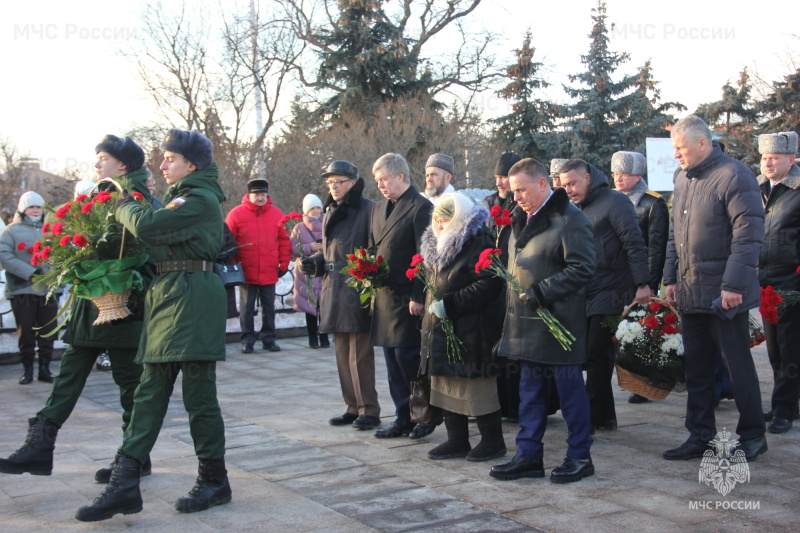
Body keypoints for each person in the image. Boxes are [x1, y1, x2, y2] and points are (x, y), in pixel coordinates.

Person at [75, 128, 230, 521]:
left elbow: (147, 226)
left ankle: (214, 479)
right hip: (171, 293)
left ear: (191, 164)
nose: (162, 164)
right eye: (163, 158)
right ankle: (125, 482)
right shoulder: (184, 196)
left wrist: (124, 202)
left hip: (193, 295)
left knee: (198, 394)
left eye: (170, 158)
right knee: (149, 390)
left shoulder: (200, 199)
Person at [0, 135, 156, 482]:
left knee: (130, 386)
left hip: (124, 307)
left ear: (123, 165)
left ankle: (135, 456)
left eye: (103, 158)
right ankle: (40, 445)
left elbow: (150, 253)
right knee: (69, 375)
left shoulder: (138, 200)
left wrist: (132, 289)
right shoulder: (100, 197)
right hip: (90, 307)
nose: (98, 164)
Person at [662, 115, 767, 461]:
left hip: (724, 294)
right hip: (691, 291)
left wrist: (734, 285)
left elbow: (748, 234)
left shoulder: (734, 175)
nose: (676, 155)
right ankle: (699, 435)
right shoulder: (682, 179)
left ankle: (752, 434)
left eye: (680, 148)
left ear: (702, 144)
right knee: (698, 369)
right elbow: (674, 233)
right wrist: (671, 279)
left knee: (737, 366)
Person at [489, 158, 596, 483]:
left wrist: (543, 292)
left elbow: (583, 268)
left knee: (570, 395)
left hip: (558, 323)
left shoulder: (569, 219)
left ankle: (579, 456)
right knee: (530, 394)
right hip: (527, 326)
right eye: (513, 190)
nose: (516, 196)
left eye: (521, 189)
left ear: (542, 184)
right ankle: (528, 455)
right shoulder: (521, 219)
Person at [559, 159, 650, 434]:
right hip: (586, 291)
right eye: (564, 185)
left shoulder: (615, 202)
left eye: (573, 183)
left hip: (612, 289)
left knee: (597, 355)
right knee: (592, 356)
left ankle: (589, 418)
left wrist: (643, 284)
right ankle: (605, 417)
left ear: (588, 178)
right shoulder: (575, 208)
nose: (569, 190)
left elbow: (634, 243)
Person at [420, 192, 506, 462]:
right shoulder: (434, 243)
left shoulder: (478, 240)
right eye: (438, 219)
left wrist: (452, 304)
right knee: (445, 384)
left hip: (472, 328)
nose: (442, 224)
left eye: (447, 219)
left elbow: (489, 283)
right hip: (442, 328)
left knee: (476, 388)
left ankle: (493, 441)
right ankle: (457, 440)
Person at [302, 160, 381, 430]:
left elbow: (375, 248)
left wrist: (366, 278)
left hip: (356, 286)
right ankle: (352, 406)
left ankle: (368, 409)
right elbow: (329, 248)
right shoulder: (330, 210)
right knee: (341, 351)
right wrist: (316, 260)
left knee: (359, 353)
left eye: (339, 182)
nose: (333, 187)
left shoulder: (369, 209)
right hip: (333, 285)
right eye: (330, 182)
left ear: (353, 183)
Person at [369, 153, 436, 439]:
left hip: (408, 299)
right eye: (377, 181)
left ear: (401, 176)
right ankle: (402, 417)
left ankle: (424, 415)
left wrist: (419, 295)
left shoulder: (420, 207)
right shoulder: (379, 208)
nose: (380, 185)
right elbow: (374, 246)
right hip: (384, 297)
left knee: (408, 361)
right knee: (392, 365)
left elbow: (425, 255)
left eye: (384, 179)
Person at [610, 150, 670, 404]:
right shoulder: (612, 200)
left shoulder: (652, 203)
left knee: (644, 332)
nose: (619, 179)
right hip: (616, 278)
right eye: (615, 174)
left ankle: (646, 383)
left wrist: (650, 284)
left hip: (641, 279)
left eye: (624, 174)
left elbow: (656, 249)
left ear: (638, 175)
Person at [756, 131, 800, 434]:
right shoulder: (758, 189)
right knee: (773, 347)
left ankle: (784, 408)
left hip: (791, 278)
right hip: (764, 278)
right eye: (764, 157)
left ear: (791, 159)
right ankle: (787, 402)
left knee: (789, 346)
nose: (768, 162)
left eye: (774, 157)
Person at [0, 191, 61, 385]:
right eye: (31, 207)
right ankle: (27, 370)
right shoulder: (11, 231)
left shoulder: (52, 229)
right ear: (23, 209)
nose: (35, 211)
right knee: (26, 331)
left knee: (48, 330)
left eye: (38, 207)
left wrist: (51, 272)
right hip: (23, 289)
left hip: (48, 289)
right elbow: (5, 256)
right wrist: (31, 272)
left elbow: (62, 253)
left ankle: (45, 368)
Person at [225, 178, 290, 353]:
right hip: (246, 269)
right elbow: (228, 240)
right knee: (247, 307)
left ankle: (269, 339)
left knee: (269, 307)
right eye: (257, 194)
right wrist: (232, 263)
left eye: (263, 194)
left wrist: (284, 262)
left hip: (269, 268)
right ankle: (247, 340)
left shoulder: (277, 214)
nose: (260, 198)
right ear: (249, 195)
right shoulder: (236, 214)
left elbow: (283, 240)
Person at [483, 152, 522, 420]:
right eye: (497, 177)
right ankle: (501, 404)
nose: (500, 183)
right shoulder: (488, 205)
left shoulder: (521, 205)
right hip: (494, 285)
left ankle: (518, 405)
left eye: (504, 177)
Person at [291, 193, 328, 349]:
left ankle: (325, 337)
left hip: (325, 269)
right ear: (306, 211)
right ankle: (313, 338)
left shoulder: (329, 222)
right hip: (308, 270)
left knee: (325, 306)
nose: (316, 211)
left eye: (318, 207)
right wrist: (309, 248)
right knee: (310, 306)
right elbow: (292, 248)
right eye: (312, 208)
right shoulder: (299, 227)